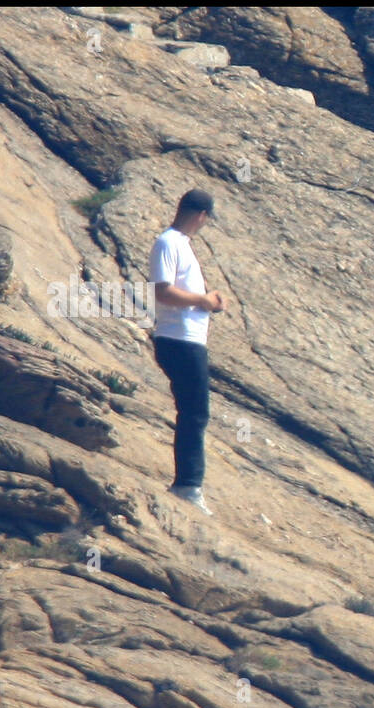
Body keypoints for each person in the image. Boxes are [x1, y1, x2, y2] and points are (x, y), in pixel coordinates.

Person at [150, 189, 225, 515]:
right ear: (201, 216)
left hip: (188, 338)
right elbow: (163, 292)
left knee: (194, 412)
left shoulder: (181, 245)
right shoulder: (168, 242)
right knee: (195, 413)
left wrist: (207, 302)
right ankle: (187, 485)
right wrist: (203, 300)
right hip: (178, 339)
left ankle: (188, 484)